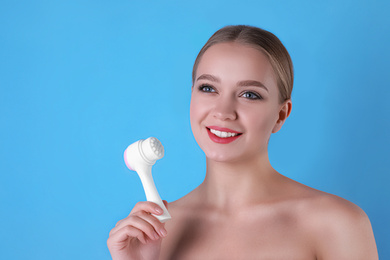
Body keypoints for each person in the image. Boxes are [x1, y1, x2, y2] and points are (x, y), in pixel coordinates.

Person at [107, 25, 378, 259]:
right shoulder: (157, 233)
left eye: (249, 94)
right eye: (208, 88)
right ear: (192, 96)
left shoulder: (337, 224)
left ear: (281, 115)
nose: (223, 111)